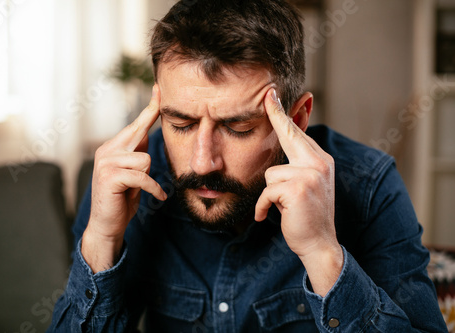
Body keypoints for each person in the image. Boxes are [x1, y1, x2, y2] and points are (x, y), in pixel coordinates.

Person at [49, 0, 448, 332]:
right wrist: (101, 239)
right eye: (181, 124)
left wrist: (322, 253)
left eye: (238, 127)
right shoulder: (125, 182)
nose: (203, 161)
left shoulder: (368, 183)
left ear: (296, 119)